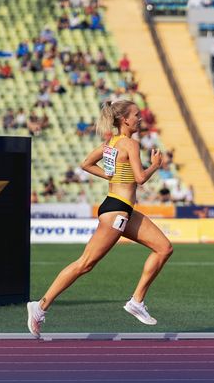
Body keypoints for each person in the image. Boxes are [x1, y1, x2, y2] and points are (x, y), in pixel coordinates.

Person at [27, 100, 173, 338]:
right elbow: (140, 178)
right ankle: (40, 306)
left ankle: (137, 301)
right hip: (116, 211)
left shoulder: (110, 144)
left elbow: (86, 164)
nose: (139, 118)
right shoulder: (130, 144)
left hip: (122, 209)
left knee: (164, 248)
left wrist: (107, 173)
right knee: (85, 263)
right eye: (136, 115)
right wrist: (155, 165)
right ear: (124, 119)